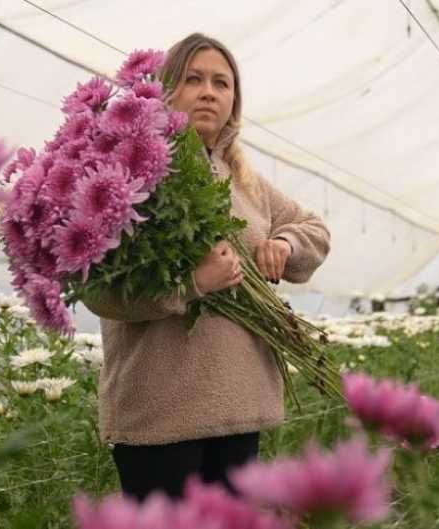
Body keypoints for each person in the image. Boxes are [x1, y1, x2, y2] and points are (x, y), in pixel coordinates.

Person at [82, 33, 331, 501]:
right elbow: (97, 292)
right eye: (193, 79)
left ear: (234, 100)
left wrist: (284, 242)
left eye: (222, 83)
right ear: (163, 89)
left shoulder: (245, 180)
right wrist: (191, 284)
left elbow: (314, 229)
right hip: (160, 419)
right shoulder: (127, 174)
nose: (209, 91)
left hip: (240, 410)